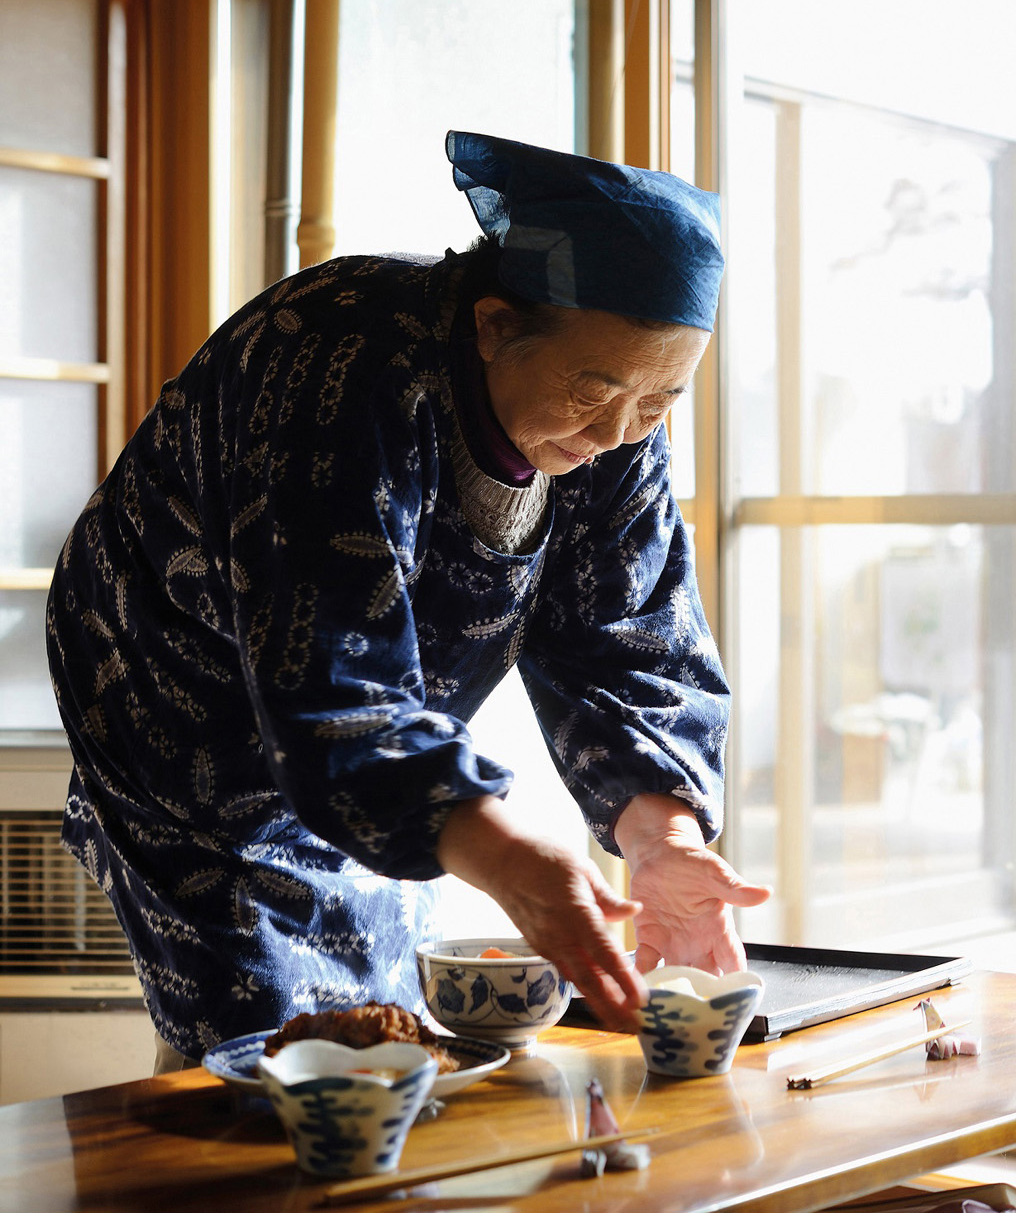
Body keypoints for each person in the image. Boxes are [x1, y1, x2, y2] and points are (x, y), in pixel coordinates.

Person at [46, 130, 769, 1072]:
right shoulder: (336, 361)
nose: (618, 432)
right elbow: (327, 677)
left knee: (385, 1021)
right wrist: (510, 859)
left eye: (661, 401)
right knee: (264, 1057)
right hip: (187, 711)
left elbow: (631, 639)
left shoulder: (622, 422)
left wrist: (661, 836)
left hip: (383, 728)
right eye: (594, 392)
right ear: (494, 325)